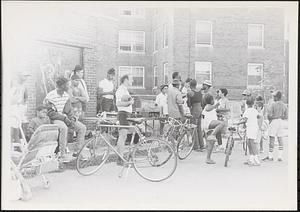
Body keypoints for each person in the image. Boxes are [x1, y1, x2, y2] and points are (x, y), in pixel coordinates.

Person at [43, 77, 87, 162]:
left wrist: (72, 118)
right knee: (64, 128)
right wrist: (64, 118)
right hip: (55, 118)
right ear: (61, 85)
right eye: (67, 85)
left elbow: (68, 111)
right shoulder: (50, 96)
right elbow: (50, 113)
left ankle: (78, 151)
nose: (69, 86)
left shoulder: (66, 96)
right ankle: (62, 154)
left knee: (82, 127)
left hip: (64, 118)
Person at [115, 75, 135, 166]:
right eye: (131, 79)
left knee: (124, 136)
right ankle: (120, 159)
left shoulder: (125, 89)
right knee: (122, 136)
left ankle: (121, 158)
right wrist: (129, 103)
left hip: (126, 114)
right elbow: (118, 103)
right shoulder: (121, 89)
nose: (133, 80)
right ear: (126, 80)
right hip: (123, 114)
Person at [263, 90, 288, 162]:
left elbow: (269, 115)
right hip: (280, 122)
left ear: (277, 97)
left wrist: (271, 117)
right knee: (280, 138)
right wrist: (280, 116)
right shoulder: (284, 105)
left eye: (274, 96)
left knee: (272, 138)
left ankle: (270, 156)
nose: (273, 97)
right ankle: (280, 156)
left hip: (274, 121)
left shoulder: (273, 104)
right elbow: (286, 116)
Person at [202, 94, 226, 164]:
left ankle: (208, 158)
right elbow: (208, 109)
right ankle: (213, 134)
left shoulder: (211, 107)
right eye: (212, 100)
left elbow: (211, 112)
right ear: (210, 101)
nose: (214, 101)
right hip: (209, 123)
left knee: (211, 142)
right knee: (222, 123)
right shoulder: (208, 106)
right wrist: (216, 105)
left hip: (208, 124)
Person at [10, 71, 31, 143]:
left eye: (26, 76)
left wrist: (23, 104)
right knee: (14, 125)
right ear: (19, 76)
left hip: (21, 107)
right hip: (14, 107)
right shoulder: (14, 84)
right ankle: (15, 141)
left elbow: (26, 97)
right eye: (24, 76)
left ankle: (21, 141)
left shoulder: (24, 86)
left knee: (22, 124)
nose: (25, 78)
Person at [241, 97, 262, 166]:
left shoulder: (247, 111)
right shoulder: (255, 110)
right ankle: (251, 159)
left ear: (247, 104)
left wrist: (240, 122)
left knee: (251, 143)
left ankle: (256, 160)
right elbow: (259, 116)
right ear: (253, 104)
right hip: (254, 127)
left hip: (250, 128)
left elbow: (245, 120)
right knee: (249, 142)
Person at [187, 79, 205, 152]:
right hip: (200, 109)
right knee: (199, 128)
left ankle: (196, 146)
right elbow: (202, 102)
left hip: (194, 109)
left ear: (190, 85)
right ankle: (202, 145)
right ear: (196, 85)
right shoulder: (200, 92)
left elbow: (189, 104)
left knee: (193, 127)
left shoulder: (190, 93)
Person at [214, 88, 231, 152]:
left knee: (223, 132)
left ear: (223, 93)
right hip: (218, 117)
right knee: (218, 131)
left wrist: (220, 110)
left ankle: (224, 146)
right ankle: (220, 145)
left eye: (220, 92)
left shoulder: (226, 100)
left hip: (224, 117)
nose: (219, 93)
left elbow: (228, 109)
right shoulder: (219, 100)